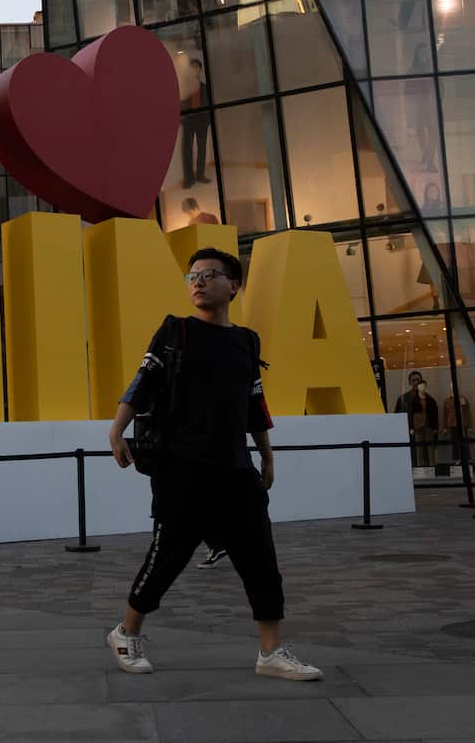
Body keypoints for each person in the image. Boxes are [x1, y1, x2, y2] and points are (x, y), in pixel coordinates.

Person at [106, 248, 322, 681]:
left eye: (209, 274)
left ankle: (271, 652)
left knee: (260, 558)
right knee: (168, 555)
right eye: (193, 276)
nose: (198, 282)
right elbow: (143, 380)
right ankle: (126, 632)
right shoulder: (176, 331)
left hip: (235, 469)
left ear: (234, 285)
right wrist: (116, 431)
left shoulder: (247, 341)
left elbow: (253, 401)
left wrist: (266, 453)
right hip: (180, 466)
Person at [180, 59, 210, 188]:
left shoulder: (204, 87)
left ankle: (200, 175)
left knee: (202, 149)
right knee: (187, 150)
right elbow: (180, 102)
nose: (195, 70)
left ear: (200, 70)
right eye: (192, 67)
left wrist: (208, 121)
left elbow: (209, 104)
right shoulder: (184, 87)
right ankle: (189, 179)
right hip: (189, 121)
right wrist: (182, 118)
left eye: (197, 67)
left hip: (202, 121)